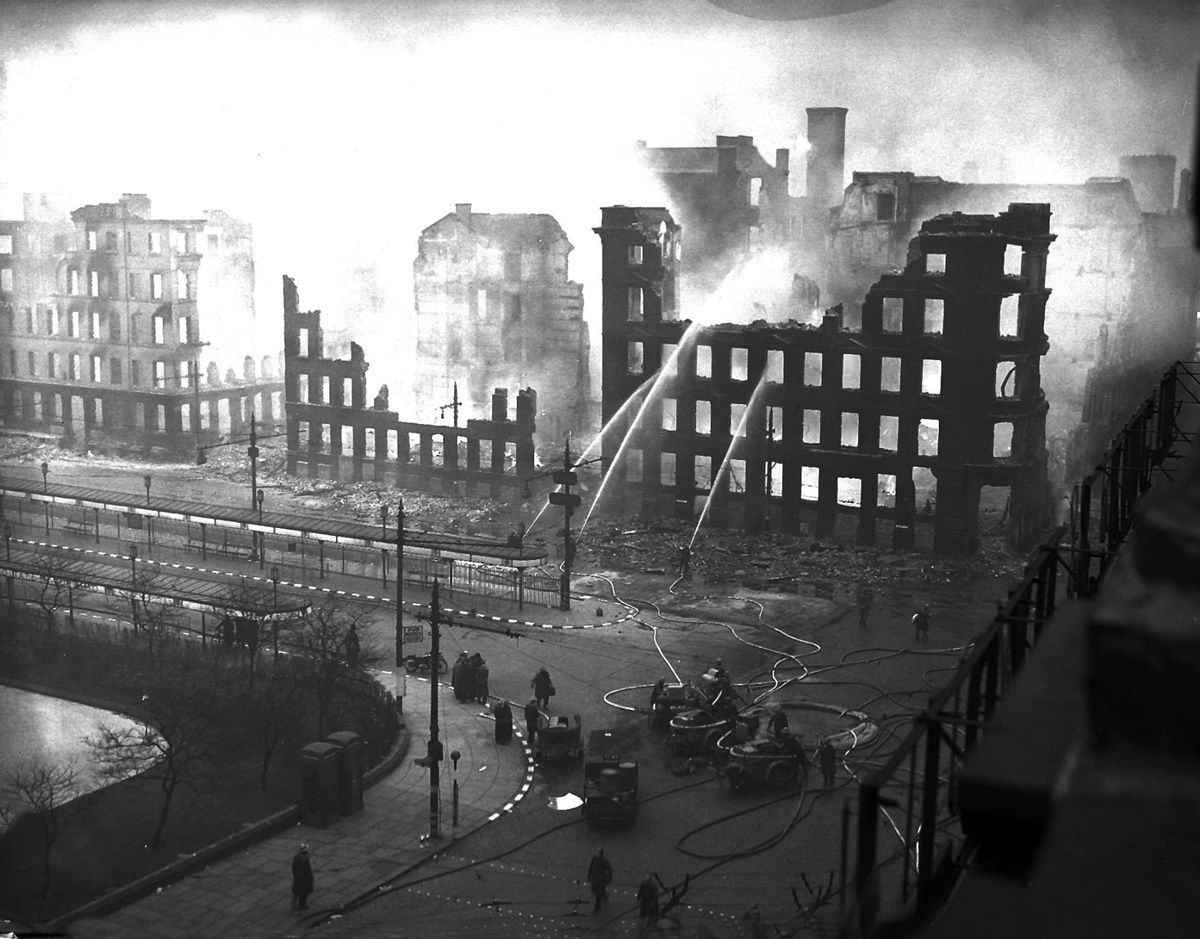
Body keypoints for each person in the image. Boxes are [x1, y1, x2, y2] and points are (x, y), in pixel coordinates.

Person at [586, 848, 613, 913]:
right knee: (595, 891)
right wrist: (589, 875)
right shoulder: (594, 859)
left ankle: (597, 907)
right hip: (595, 878)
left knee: (598, 894)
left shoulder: (605, 861)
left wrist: (610, 878)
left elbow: (609, 870)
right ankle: (603, 895)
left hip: (601, 879)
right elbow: (591, 866)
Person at [291, 843, 314, 910]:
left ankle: (295, 897)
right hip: (304, 879)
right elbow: (308, 870)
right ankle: (302, 905)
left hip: (297, 877)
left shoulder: (296, 857)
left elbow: (293, 868)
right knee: (304, 893)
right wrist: (310, 878)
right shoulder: (305, 859)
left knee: (297, 888)